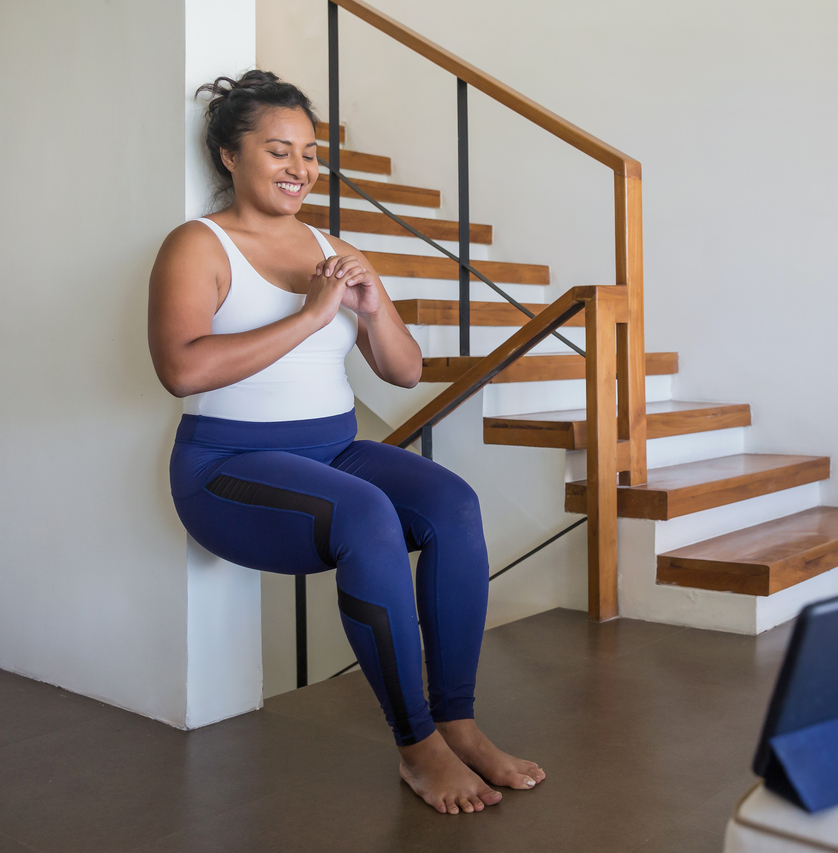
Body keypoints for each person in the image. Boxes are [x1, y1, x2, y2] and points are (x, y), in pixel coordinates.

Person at [147, 70, 543, 815]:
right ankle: (417, 745)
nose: (299, 167)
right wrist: (310, 312)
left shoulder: (332, 246)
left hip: (332, 451)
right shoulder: (198, 245)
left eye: (310, 152)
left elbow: (403, 370)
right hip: (226, 468)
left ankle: (457, 719)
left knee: (451, 501)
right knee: (366, 514)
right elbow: (180, 368)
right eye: (278, 150)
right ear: (230, 156)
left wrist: (368, 305)